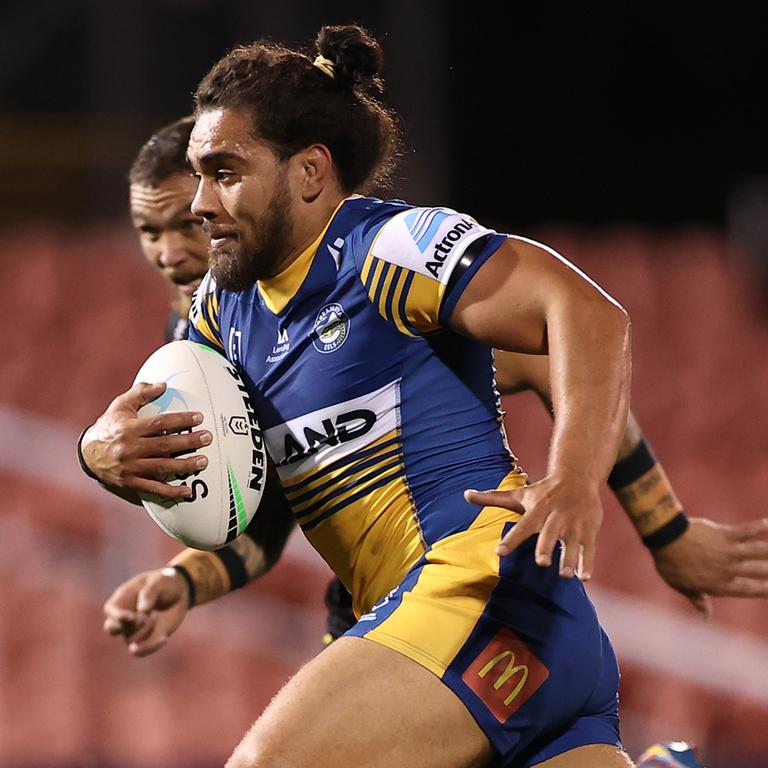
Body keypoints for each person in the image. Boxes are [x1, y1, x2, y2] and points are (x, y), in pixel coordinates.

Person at [76, 27, 744, 768]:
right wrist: (98, 451)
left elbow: (587, 317)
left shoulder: (387, 250)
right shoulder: (217, 319)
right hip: (487, 646)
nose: (199, 206)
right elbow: (246, 495)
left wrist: (596, 488)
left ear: (308, 172)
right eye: (195, 178)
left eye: (223, 173)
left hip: (479, 592)